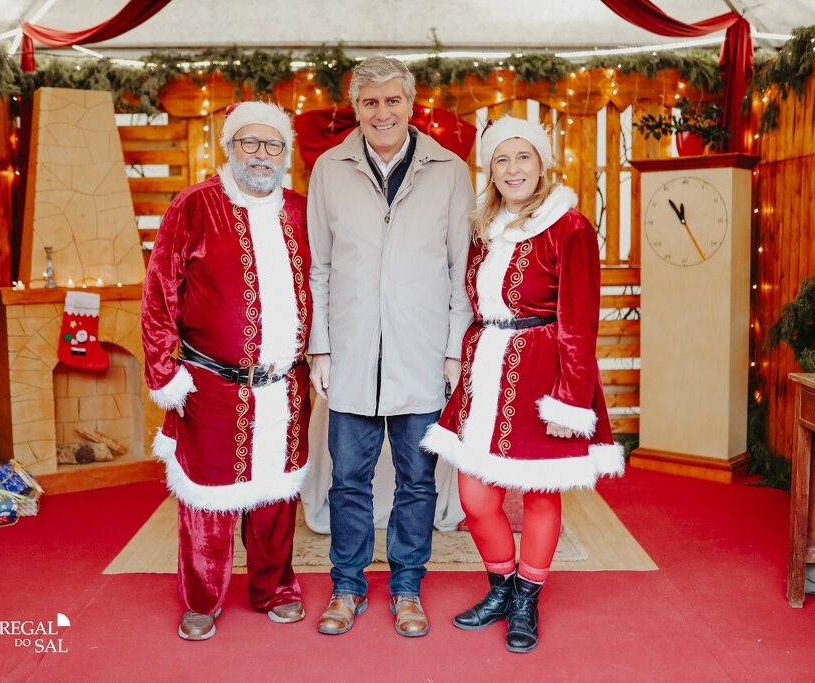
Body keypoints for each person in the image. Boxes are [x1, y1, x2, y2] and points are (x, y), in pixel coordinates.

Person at [421, 116, 625, 653]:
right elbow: (470, 302)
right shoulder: (483, 225)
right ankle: (502, 587)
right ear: (489, 168)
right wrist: (457, 359)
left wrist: (571, 398)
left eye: (523, 157)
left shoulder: (570, 226)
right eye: (501, 159)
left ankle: (527, 600)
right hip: (486, 364)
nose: (512, 169)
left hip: (543, 369)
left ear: (542, 163)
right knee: (476, 497)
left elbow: (579, 321)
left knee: (538, 495)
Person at [307, 55, 474, 638]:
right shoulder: (328, 169)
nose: (382, 112)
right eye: (370, 102)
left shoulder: (450, 171)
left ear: (411, 103)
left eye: (392, 101)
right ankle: (347, 587)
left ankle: (407, 587)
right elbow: (319, 269)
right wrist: (320, 350)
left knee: (418, 482)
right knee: (347, 480)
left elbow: (461, 270)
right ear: (356, 108)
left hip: (422, 354)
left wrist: (454, 352)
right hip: (349, 353)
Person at [141, 101, 312, 641]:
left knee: (275, 499)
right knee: (207, 502)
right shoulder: (193, 206)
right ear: (230, 147)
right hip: (211, 384)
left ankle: (274, 588)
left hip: (285, 385)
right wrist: (164, 370)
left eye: (273, 145)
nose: (261, 155)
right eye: (250, 143)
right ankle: (202, 598)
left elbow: (326, 287)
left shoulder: (303, 212)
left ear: (285, 154)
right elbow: (158, 295)